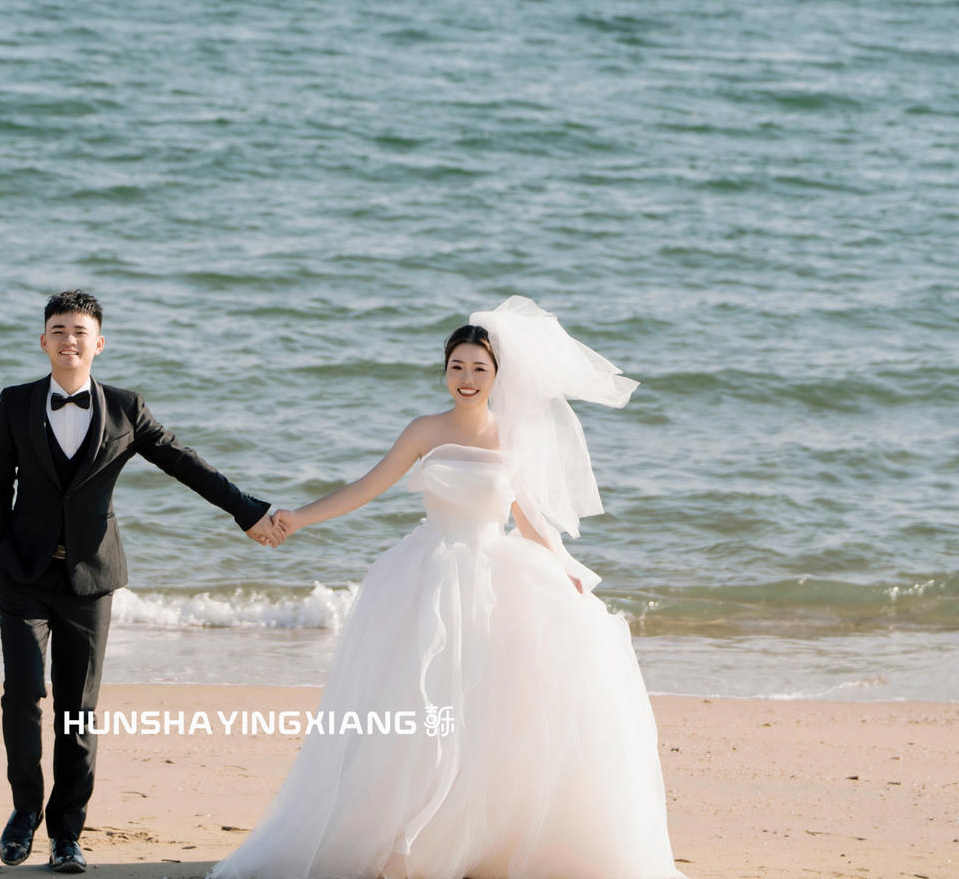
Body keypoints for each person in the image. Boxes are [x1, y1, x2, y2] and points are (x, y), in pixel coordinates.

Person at [211, 296, 687, 879]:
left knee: (488, 712)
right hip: (427, 576)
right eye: (457, 366)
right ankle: (407, 838)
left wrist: (565, 569)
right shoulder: (425, 431)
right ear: (444, 371)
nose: (467, 378)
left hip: (495, 582)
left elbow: (531, 520)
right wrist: (299, 518)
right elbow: (368, 486)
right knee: (419, 709)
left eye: (479, 369)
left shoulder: (514, 436)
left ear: (498, 376)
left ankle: (478, 839)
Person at [0, 290, 281, 873]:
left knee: (78, 710)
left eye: (80, 331)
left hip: (91, 578)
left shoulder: (126, 408)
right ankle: (25, 810)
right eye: (58, 330)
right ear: (43, 341)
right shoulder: (15, 402)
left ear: (99, 343)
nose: (69, 340)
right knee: (23, 694)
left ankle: (67, 833)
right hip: (22, 572)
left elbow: (184, 463)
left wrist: (247, 511)